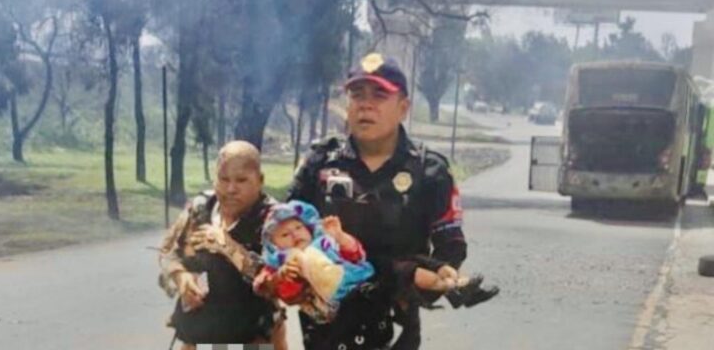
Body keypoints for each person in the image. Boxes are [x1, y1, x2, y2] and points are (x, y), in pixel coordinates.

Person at [288, 53, 484, 350]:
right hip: (326, 329)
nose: (365, 104)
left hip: (395, 329)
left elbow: (450, 247)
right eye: (357, 95)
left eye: (379, 95)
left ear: (403, 107)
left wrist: (430, 280)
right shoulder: (319, 163)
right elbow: (283, 231)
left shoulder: (429, 171)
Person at [254, 200, 489, 325]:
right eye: (285, 235)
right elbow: (279, 290)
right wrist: (283, 276)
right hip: (342, 305)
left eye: (298, 228)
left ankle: (453, 283)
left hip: (364, 278)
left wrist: (340, 237)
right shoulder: (281, 264)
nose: (295, 235)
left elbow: (357, 255)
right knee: (401, 273)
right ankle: (448, 285)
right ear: (274, 245)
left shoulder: (324, 244)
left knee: (406, 265)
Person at [158, 141, 286, 350]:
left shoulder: (276, 219)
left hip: (252, 339)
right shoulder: (200, 208)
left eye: (241, 180)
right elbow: (167, 253)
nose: (231, 189)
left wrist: (228, 246)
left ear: (260, 181)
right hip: (196, 337)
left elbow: (279, 282)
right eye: (223, 179)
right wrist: (180, 277)